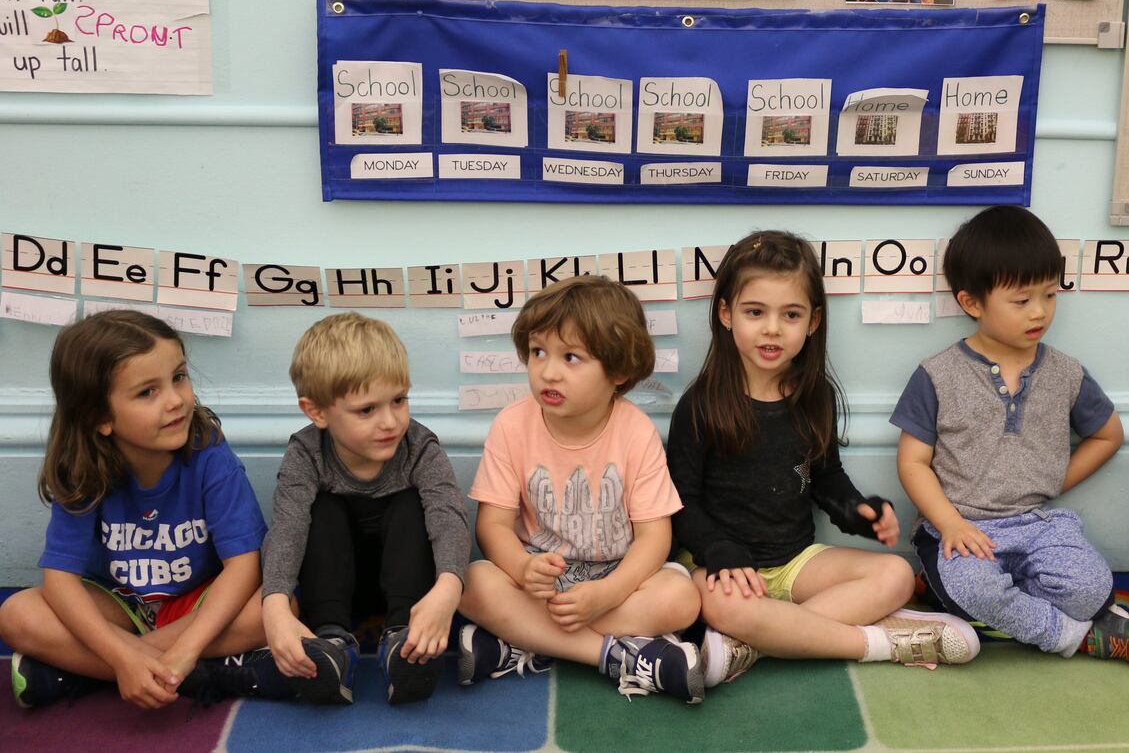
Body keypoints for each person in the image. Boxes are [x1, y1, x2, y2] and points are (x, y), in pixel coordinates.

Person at [669, 231, 978, 689]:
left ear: (813, 321)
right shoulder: (700, 405)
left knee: (895, 574)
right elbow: (680, 502)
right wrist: (717, 549)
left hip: (797, 562)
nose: (772, 329)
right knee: (720, 607)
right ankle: (878, 643)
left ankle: (754, 645)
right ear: (726, 313)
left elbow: (826, 477)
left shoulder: (815, 397)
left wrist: (858, 511)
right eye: (755, 312)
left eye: (790, 315)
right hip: (723, 568)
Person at [895, 206, 1129, 670]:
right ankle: (1077, 637)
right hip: (962, 526)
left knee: (1089, 590)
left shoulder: (1066, 372)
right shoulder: (936, 374)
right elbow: (912, 463)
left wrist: (1052, 479)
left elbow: (1108, 435)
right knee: (976, 588)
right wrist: (949, 523)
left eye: (1050, 294)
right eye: (1022, 300)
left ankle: (984, 603)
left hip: (1037, 523)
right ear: (972, 303)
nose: (1040, 311)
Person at [0, 311, 290, 709]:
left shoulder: (210, 456)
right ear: (100, 417)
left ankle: (94, 672)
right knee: (17, 615)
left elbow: (243, 567)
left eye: (179, 377)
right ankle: (197, 675)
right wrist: (122, 657)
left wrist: (181, 649)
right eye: (147, 392)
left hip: (196, 602)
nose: (176, 400)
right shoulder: (81, 468)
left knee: (276, 605)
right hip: (119, 603)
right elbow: (60, 580)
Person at [454, 276, 706, 703]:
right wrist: (521, 567)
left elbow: (654, 537)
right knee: (470, 580)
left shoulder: (636, 432)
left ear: (619, 371)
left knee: (682, 597)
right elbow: (493, 525)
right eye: (538, 352)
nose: (548, 371)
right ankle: (618, 656)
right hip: (541, 581)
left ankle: (520, 641)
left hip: (617, 580)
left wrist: (608, 593)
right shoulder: (511, 426)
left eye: (571, 357)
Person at [260, 313, 470, 706]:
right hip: (336, 588)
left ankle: (404, 642)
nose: (390, 422)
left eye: (398, 400)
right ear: (317, 412)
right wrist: (274, 606)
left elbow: (449, 517)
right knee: (321, 509)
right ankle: (332, 644)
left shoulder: (419, 447)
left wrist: (448, 588)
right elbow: (287, 529)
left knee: (411, 503)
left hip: (410, 595)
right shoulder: (306, 453)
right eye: (366, 410)